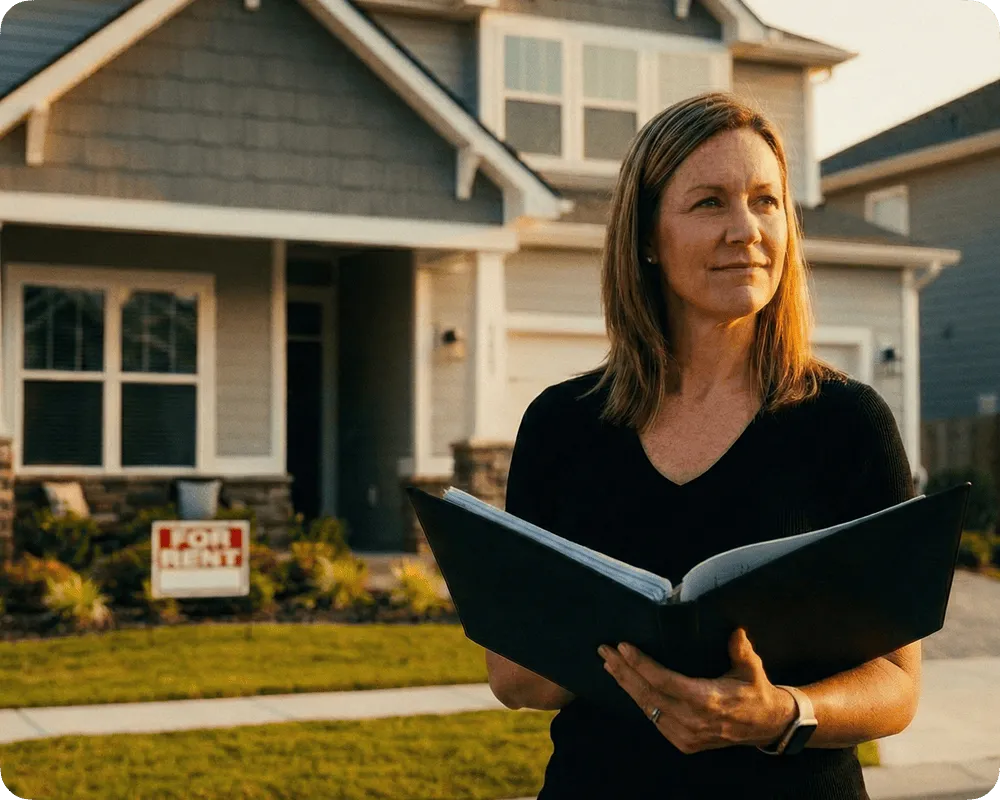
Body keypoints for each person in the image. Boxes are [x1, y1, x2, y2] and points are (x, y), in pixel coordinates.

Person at [485, 92, 919, 799]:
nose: (745, 229)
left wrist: (778, 714)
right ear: (648, 237)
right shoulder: (561, 426)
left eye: (765, 201)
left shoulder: (848, 425)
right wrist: (645, 670)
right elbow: (514, 676)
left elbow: (897, 685)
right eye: (710, 202)